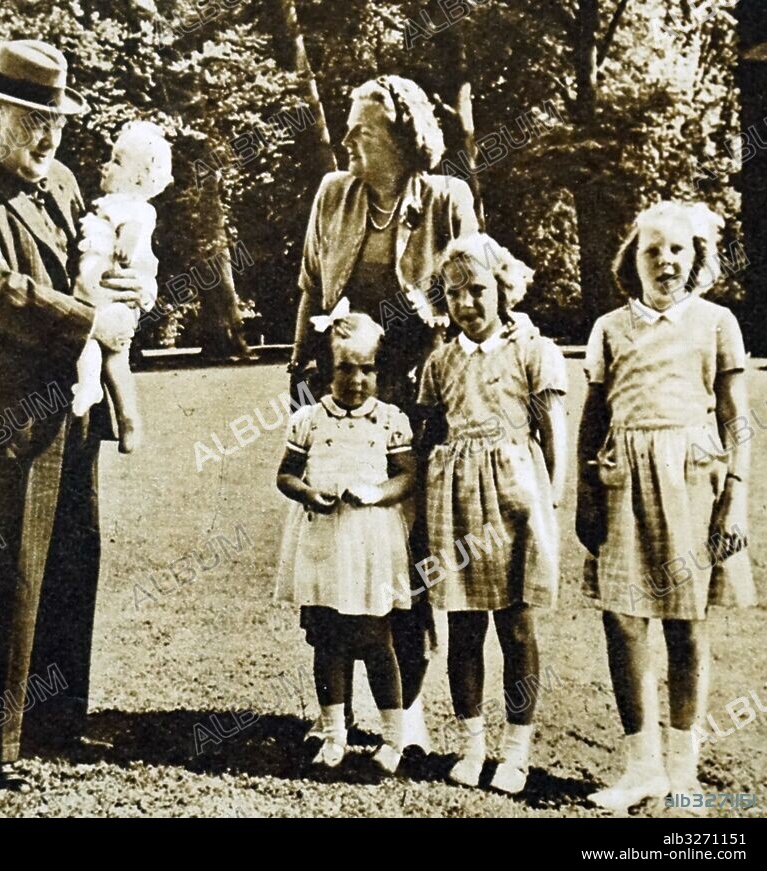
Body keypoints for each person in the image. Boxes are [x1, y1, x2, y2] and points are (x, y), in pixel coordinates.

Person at [0, 39, 146, 790]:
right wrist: (90, 321)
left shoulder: (59, 180)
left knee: (70, 565)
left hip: (70, 409)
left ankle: (59, 725)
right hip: (3, 420)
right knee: (5, 579)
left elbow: (78, 268)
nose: (48, 135)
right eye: (31, 119)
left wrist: (119, 281)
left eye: (54, 119)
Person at [288, 74, 479, 754]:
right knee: (335, 533)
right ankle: (333, 706)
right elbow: (312, 286)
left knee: (410, 550)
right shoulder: (333, 194)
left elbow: (469, 293)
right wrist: (298, 371)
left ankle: (409, 706)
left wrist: (464, 389)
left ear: (403, 139)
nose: (347, 142)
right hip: (340, 391)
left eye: (363, 132)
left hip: (418, 398)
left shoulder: (446, 200)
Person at [578, 201, 755, 811]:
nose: (666, 261)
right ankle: (641, 767)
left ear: (697, 258)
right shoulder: (609, 328)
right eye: (653, 251)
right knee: (622, 619)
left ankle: (683, 773)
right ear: (634, 261)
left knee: (687, 624)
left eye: (678, 250)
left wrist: (735, 498)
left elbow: (737, 420)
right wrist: (583, 494)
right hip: (622, 481)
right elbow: (592, 417)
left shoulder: (717, 323)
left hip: (694, 483)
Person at [418, 234, 567, 794]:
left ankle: (516, 750)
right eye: (454, 293)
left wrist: (550, 500)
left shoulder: (532, 350)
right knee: (462, 626)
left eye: (478, 290)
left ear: (502, 289)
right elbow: (430, 432)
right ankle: (472, 744)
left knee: (518, 627)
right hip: (454, 499)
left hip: (514, 497)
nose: (467, 303)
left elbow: (554, 433)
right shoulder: (440, 362)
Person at [275, 312, 416, 775]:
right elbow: (287, 475)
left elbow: (407, 477)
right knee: (327, 639)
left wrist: (377, 494)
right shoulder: (308, 420)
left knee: (376, 639)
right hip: (323, 540)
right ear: (323, 370)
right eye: (345, 368)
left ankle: (394, 737)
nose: (356, 380)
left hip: (370, 541)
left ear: (379, 370)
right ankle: (334, 732)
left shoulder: (390, 420)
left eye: (367, 369)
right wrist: (308, 492)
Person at [71, 120, 173, 453]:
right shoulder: (109, 204)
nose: (106, 166)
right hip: (95, 294)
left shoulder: (134, 208)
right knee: (95, 344)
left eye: (116, 162)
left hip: (109, 291)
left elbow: (132, 230)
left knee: (113, 354)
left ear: (139, 179)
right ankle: (93, 390)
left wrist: (126, 243)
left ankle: (127, 415)